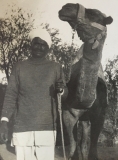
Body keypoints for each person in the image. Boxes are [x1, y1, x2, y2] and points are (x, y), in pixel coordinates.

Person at [0, 28, 68, 160]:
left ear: (48, 48)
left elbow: (64, 95)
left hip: (47, 129)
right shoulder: (19, 67)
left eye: (43, 45)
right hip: (22, 128)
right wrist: (4, 121)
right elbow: (10, 95)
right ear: (31, 45)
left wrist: (62, 90)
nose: (39, 47)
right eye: (36, 43)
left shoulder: (56, 67)